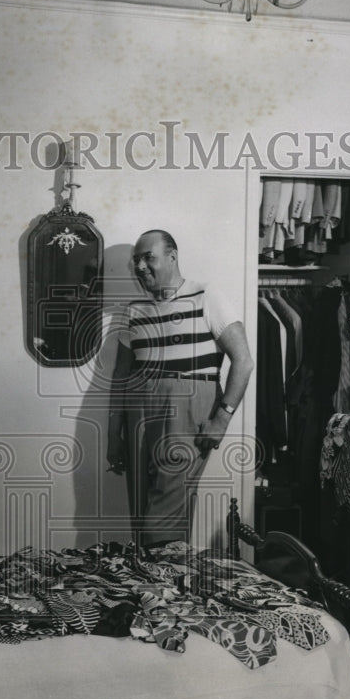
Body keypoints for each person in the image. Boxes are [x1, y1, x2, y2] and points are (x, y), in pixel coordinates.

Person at [107, 230, 254, 547]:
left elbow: (243, 360)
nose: (141, 266)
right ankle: (155, 586)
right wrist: (112, 433)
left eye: (149, 257)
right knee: (141, 503)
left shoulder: (206, 295)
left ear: (172, 257)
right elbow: (120, 376)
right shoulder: (131, 310)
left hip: (187, 407)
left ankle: (162, 580)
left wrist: (222, 419)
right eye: (137, 260)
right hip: (138, 410)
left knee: (167, 504)